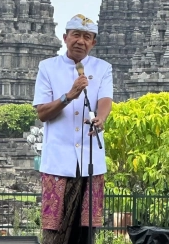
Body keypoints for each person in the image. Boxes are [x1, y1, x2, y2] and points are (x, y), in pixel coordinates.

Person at [32, 14, 113, 244]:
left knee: (87, 229)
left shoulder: (103, 68)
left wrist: (101, 118)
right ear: (65, 37)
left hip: (91, 158)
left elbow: (106, 99)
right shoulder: (47, 68)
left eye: (87, 37)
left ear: (93, 43)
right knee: (55, 228)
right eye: (76, 35)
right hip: (58, 160)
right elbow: (42, 113)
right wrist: (68, 96)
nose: (81, 41)